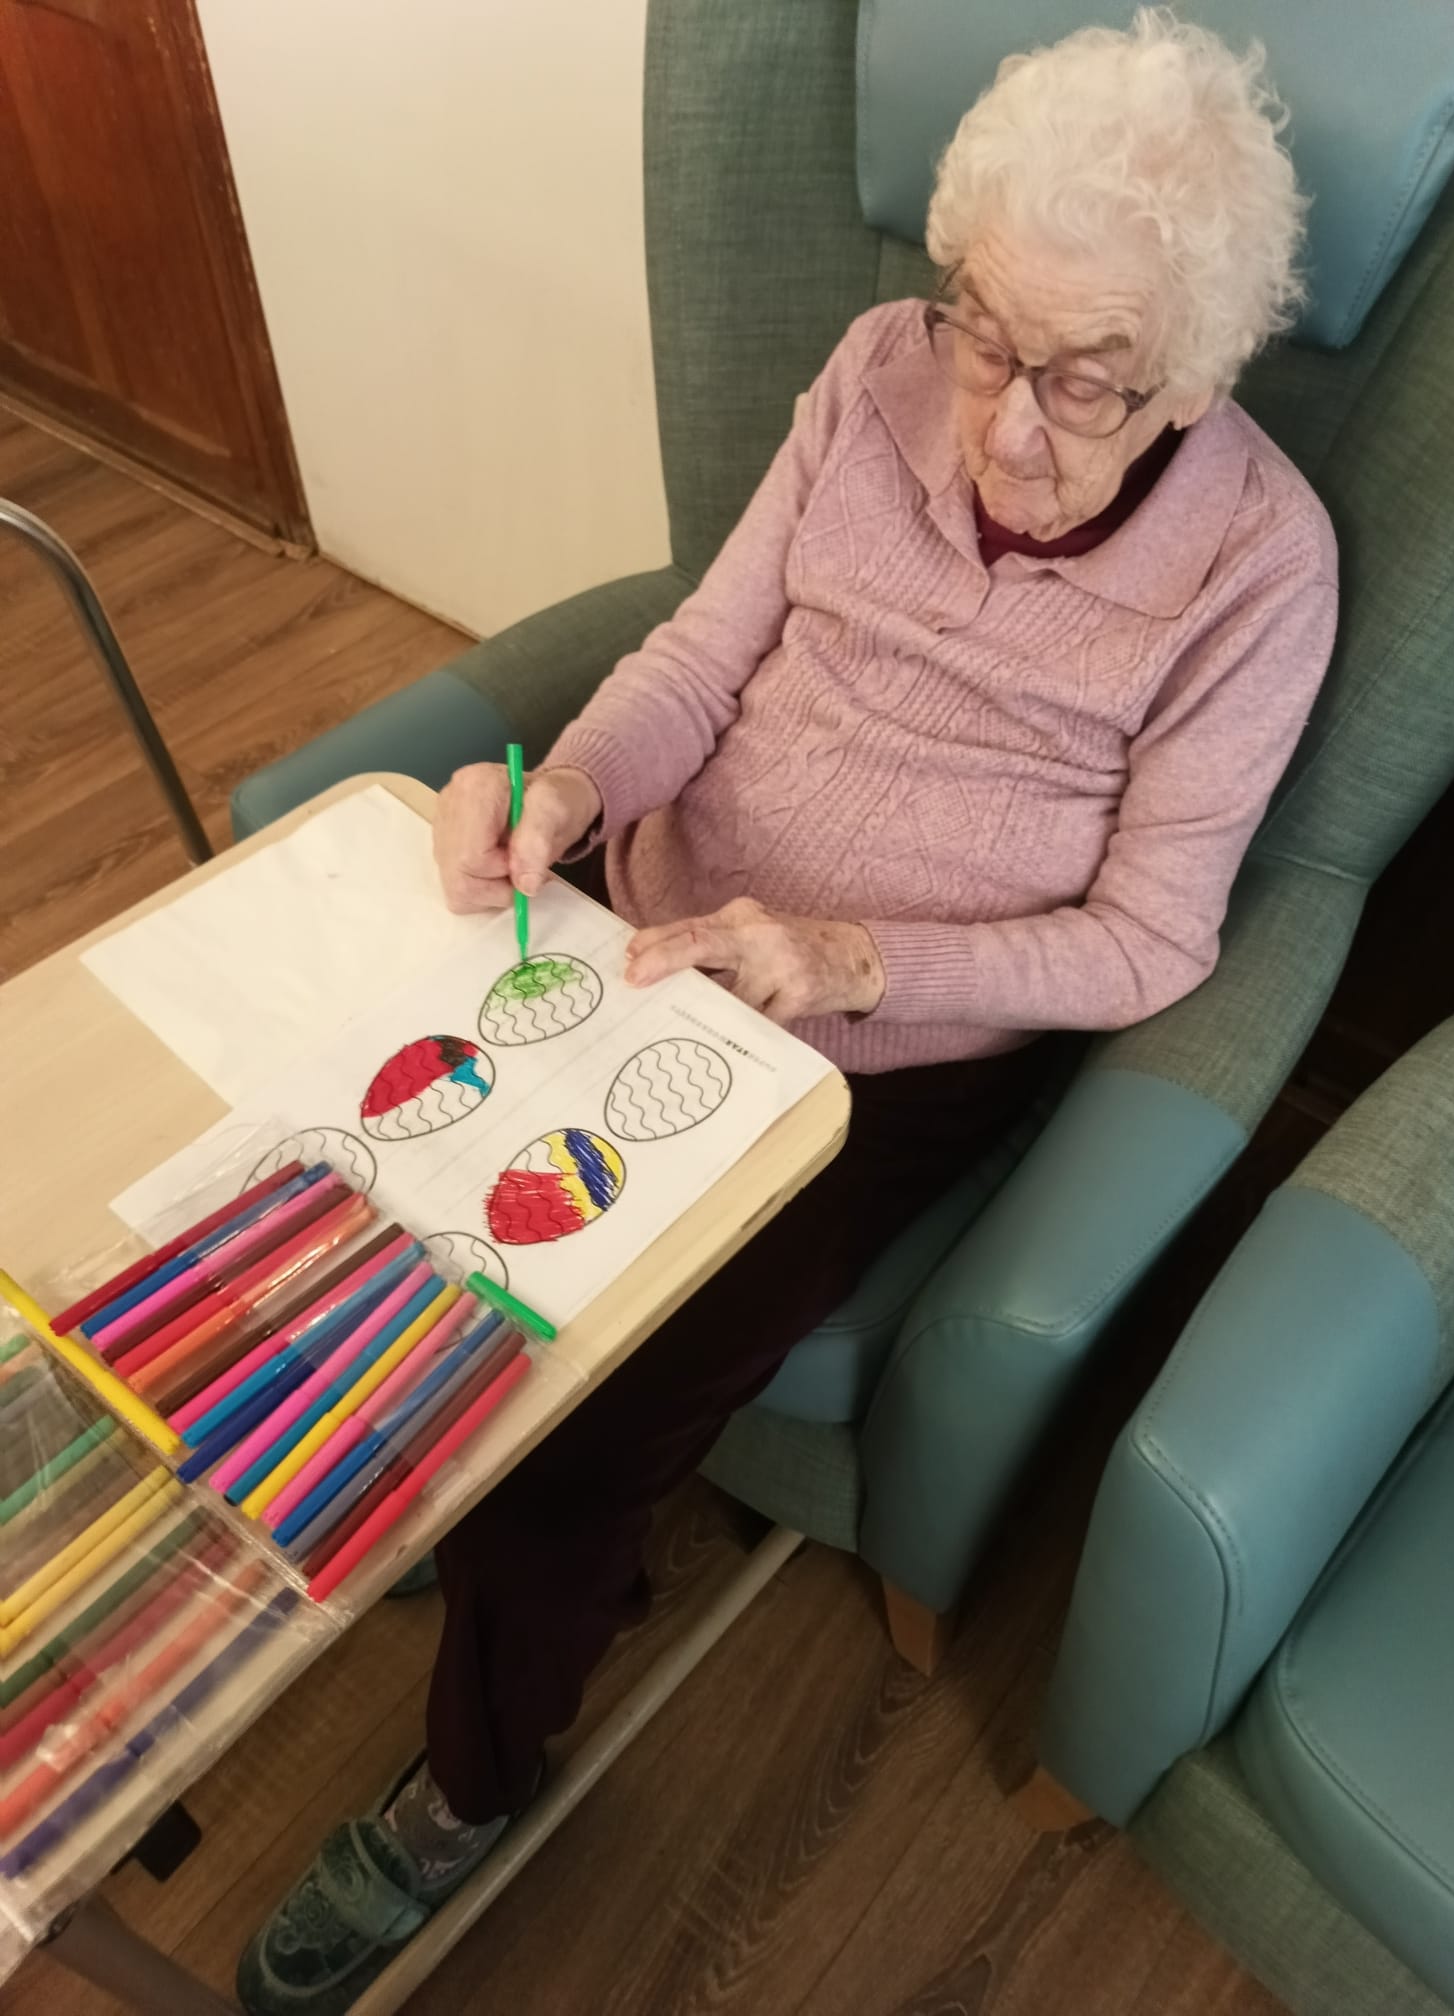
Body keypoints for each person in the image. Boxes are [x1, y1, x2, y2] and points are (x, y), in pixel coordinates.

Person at [239, 11, 1336, 2009]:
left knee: (579, 1413)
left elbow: (1151, 942)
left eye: (1084, 381)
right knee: (352, 1156)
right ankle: (402, 1487)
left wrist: (854, 961)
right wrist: (567, 791)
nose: (1002, 419)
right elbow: (703, 648)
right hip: (631, 919)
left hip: (864, 1057)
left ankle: (473, 1782)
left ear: (1193, 370)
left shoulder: (1262, 565)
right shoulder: (874, 372)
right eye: (988, 334)